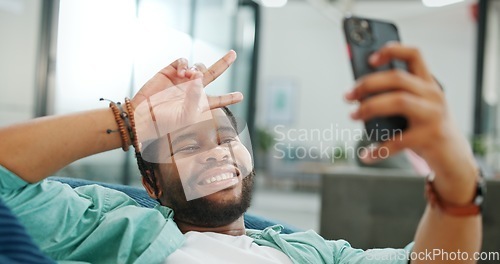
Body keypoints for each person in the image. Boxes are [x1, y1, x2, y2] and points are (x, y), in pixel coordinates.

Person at [0, 44, 481, 263]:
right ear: (152, 184)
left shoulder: (311, 253)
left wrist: (455, 168)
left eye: (226, 139)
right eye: (187, 144)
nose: (217, 154)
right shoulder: (110, 227)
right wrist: (132, 121)